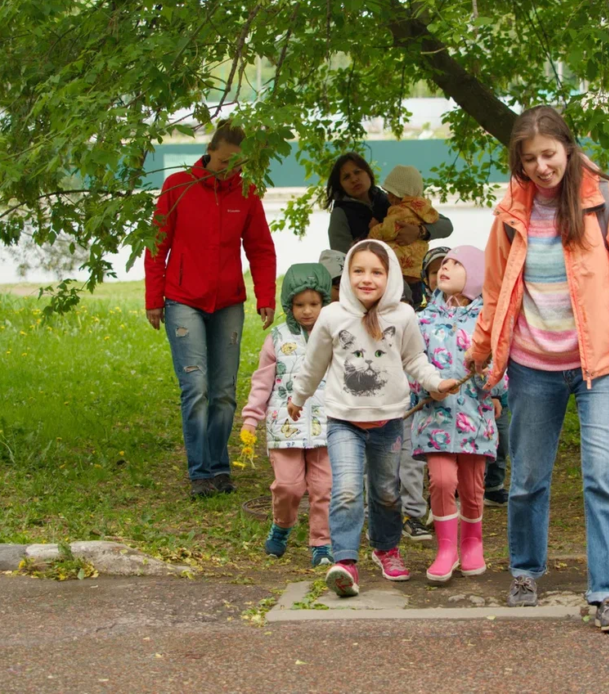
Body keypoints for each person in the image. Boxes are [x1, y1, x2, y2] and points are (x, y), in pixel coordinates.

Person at [467, 106, 609, 633]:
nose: (541, 167)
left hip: (603, 367)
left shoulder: (605, 200)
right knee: (526, 478)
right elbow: (495, 290)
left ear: (568, 148)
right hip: (533, 365)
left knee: (602, 475)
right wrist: (481, 350)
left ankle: (608, 595)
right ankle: (525, 571)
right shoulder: (510, 209)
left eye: (548, 154)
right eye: (529, 159)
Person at [287, 241, 460, 597]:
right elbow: (314, 363)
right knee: (348, 490)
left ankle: (386, 549)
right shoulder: (333, 315)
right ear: (348, 275)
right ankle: (345, 562)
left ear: (391, 275)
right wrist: (298, 397)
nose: (367, 279)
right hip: (343, 421)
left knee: (386, 493)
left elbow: (415, 359)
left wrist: (435, 382)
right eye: (359, 271)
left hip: (389, 422)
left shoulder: (402, 316)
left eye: (376, 272)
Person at [144, 119, 277, 499]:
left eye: (235, 164)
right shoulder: (177, 187)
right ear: (210, 152)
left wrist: (264, 294)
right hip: (184, 299)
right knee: (196, 387)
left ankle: (220, 467)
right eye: (222, 162)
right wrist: (155, 299)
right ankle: (199, 471)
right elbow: (156, 246)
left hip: (228, 302)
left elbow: (261, 248)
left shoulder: (247, 192)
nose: (227, 170)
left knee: (223, 390)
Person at [410, 246, 505, 583]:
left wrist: (486, 378)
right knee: (442, 480)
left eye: (456, 263)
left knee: (471, 485)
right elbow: (410, 365)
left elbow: (504, 379)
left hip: (475, 422)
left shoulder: (488, 322)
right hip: (435, 420)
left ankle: (472, 543)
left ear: (477, 276)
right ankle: (446, 548)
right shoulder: (422, 320)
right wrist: (427, 387)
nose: (445, 268)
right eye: (444, 263)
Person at [241, 263, 334, 567]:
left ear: (325, 302)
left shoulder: (335, 336)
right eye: (299, 305)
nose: (307, 311)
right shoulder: (277, 339)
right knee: (288, 486)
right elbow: (262, 381)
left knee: (324, 489)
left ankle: (321, 542)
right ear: (288, 305)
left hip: (327, 427)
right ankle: (282, 524)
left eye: (314, 304)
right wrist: (251, 418)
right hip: (285, 428)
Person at [324, 152, 454, 252]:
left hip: (413, 274)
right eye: (346, 177)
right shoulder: (340, 214)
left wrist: (419, 231)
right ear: (340, 185)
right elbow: (341, 257)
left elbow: (446, 226)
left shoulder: (390, 199)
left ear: (368, 173)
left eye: (357, 172)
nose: (354, 179)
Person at [368, 165, 439, 307]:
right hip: (416, 273)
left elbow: (387, 230)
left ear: (398, 194)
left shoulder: (401, 211)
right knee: (413, 307)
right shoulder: (423, 208)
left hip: (400, 272)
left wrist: (373, 231)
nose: (388, 197)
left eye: (390, 193)